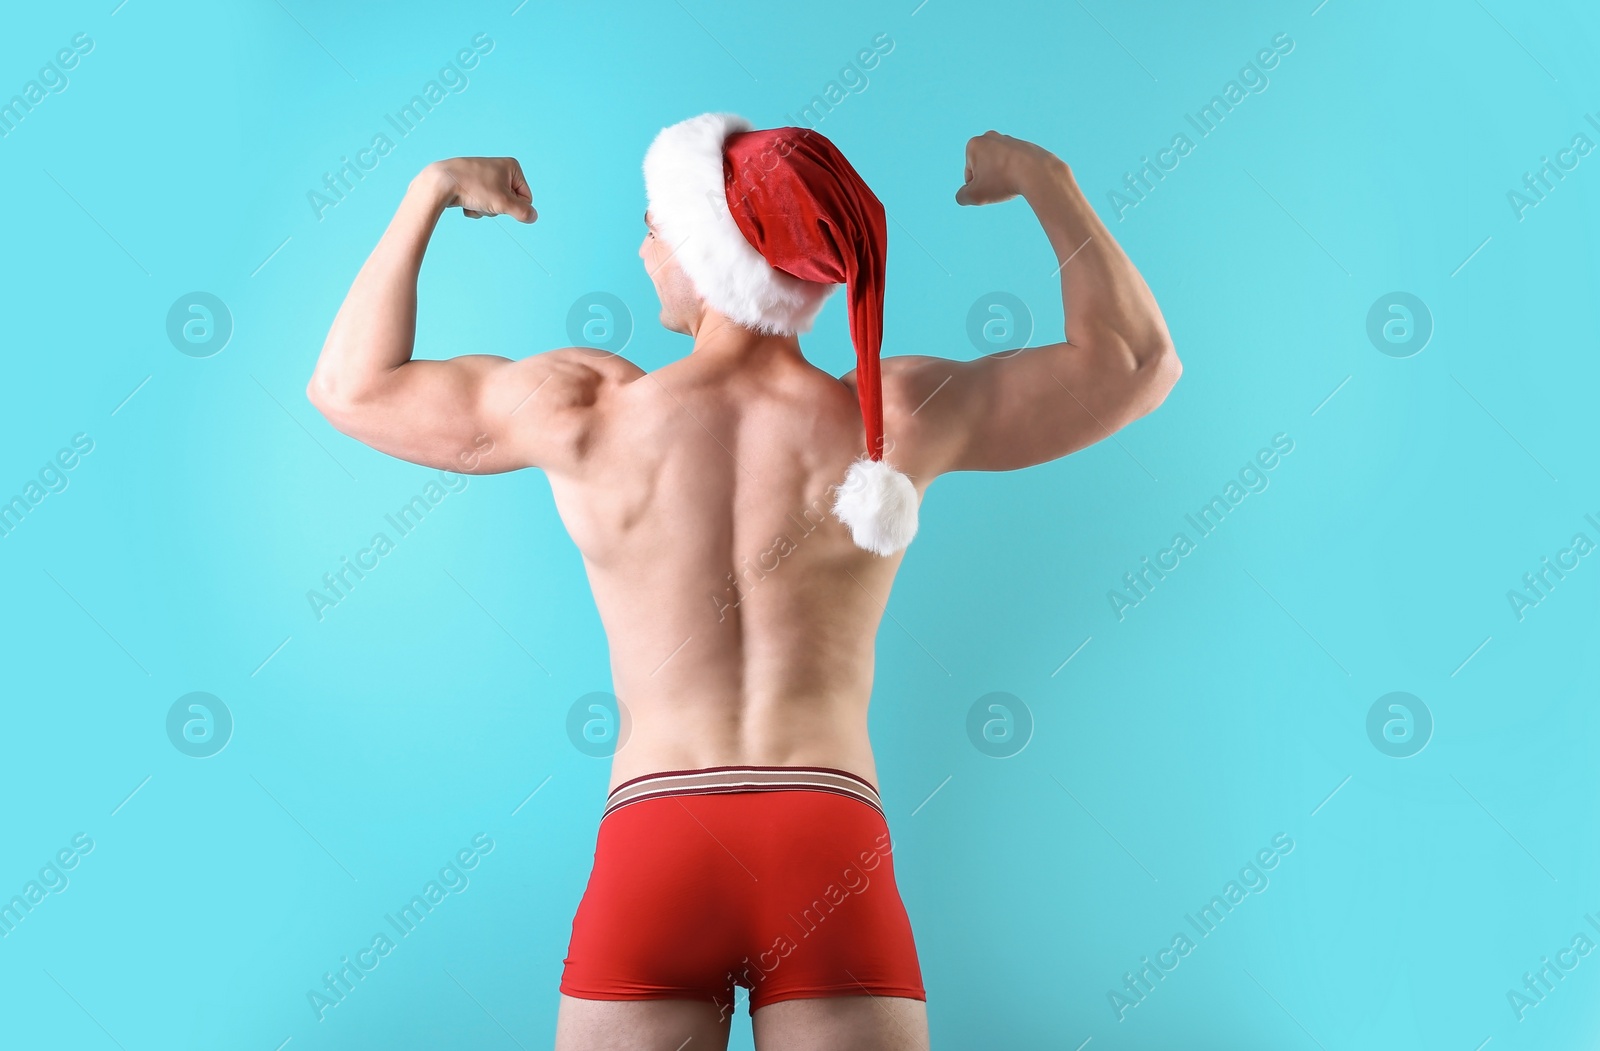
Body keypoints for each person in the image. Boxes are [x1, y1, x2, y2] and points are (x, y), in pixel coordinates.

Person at [308, 112, 1178, 1051]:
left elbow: (350, 386)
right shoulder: (888, 419)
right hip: (826, 839)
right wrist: (1041, 174)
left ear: (710, 254)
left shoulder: (587, 412)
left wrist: (428, 192)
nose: (644, 249)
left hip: (657, 840)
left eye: (657, 228)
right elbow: (1134, 362)